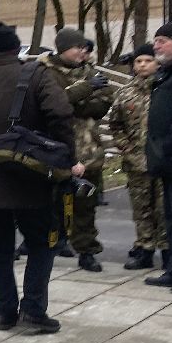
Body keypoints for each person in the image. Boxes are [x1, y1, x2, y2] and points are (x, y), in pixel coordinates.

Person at [0, 22, 81, 333]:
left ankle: (3, 313)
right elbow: (61, 114)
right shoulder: (36, 74)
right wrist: (66, 157)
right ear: (16, 47)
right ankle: (33, 310)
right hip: (32, 175)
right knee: (43, 242)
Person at [40, 28, 112, 270]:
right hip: (55, 150)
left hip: (88, 150)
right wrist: (85, 91)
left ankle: (86, 250)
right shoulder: (46, 72)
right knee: (51, 203)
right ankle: (47, 245)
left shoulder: (91, 72)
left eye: (84, 48)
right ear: (62, 49)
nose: (83, 52)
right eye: (77, 47)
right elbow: (53, 103)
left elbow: (104, 102)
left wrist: (77, 103)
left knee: (85, 205)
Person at [109, 45, 164, 270]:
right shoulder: (126, 92)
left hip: (163, 160)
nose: (142, 65)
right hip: (136, 162)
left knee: (164, 209)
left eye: (148, 60)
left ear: (157, 63)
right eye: (138, 61)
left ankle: (168, 250)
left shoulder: (166, 88)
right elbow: (116, 125)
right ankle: (145, 249)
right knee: (141, 209)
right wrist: (127, 149)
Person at [145, 22, 172, 292]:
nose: (156, 46)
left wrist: (168, 147)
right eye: (155, 40)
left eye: (162, 41)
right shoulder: (167, 73)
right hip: (169, 163)